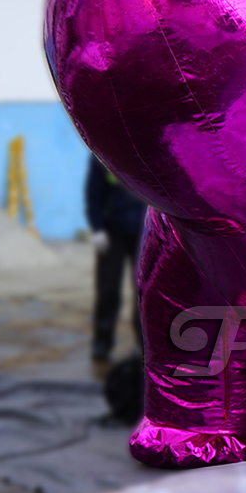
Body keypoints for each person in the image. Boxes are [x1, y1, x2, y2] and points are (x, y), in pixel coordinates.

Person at [85, 155, 147, 362]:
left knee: (144, 292)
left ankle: (145, 345)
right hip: (113, 232)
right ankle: (102, 342)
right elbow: (93, 192)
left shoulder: (147, 154)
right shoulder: (103, 154)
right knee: (108, 289)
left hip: (144, 233)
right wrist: (97, 228)